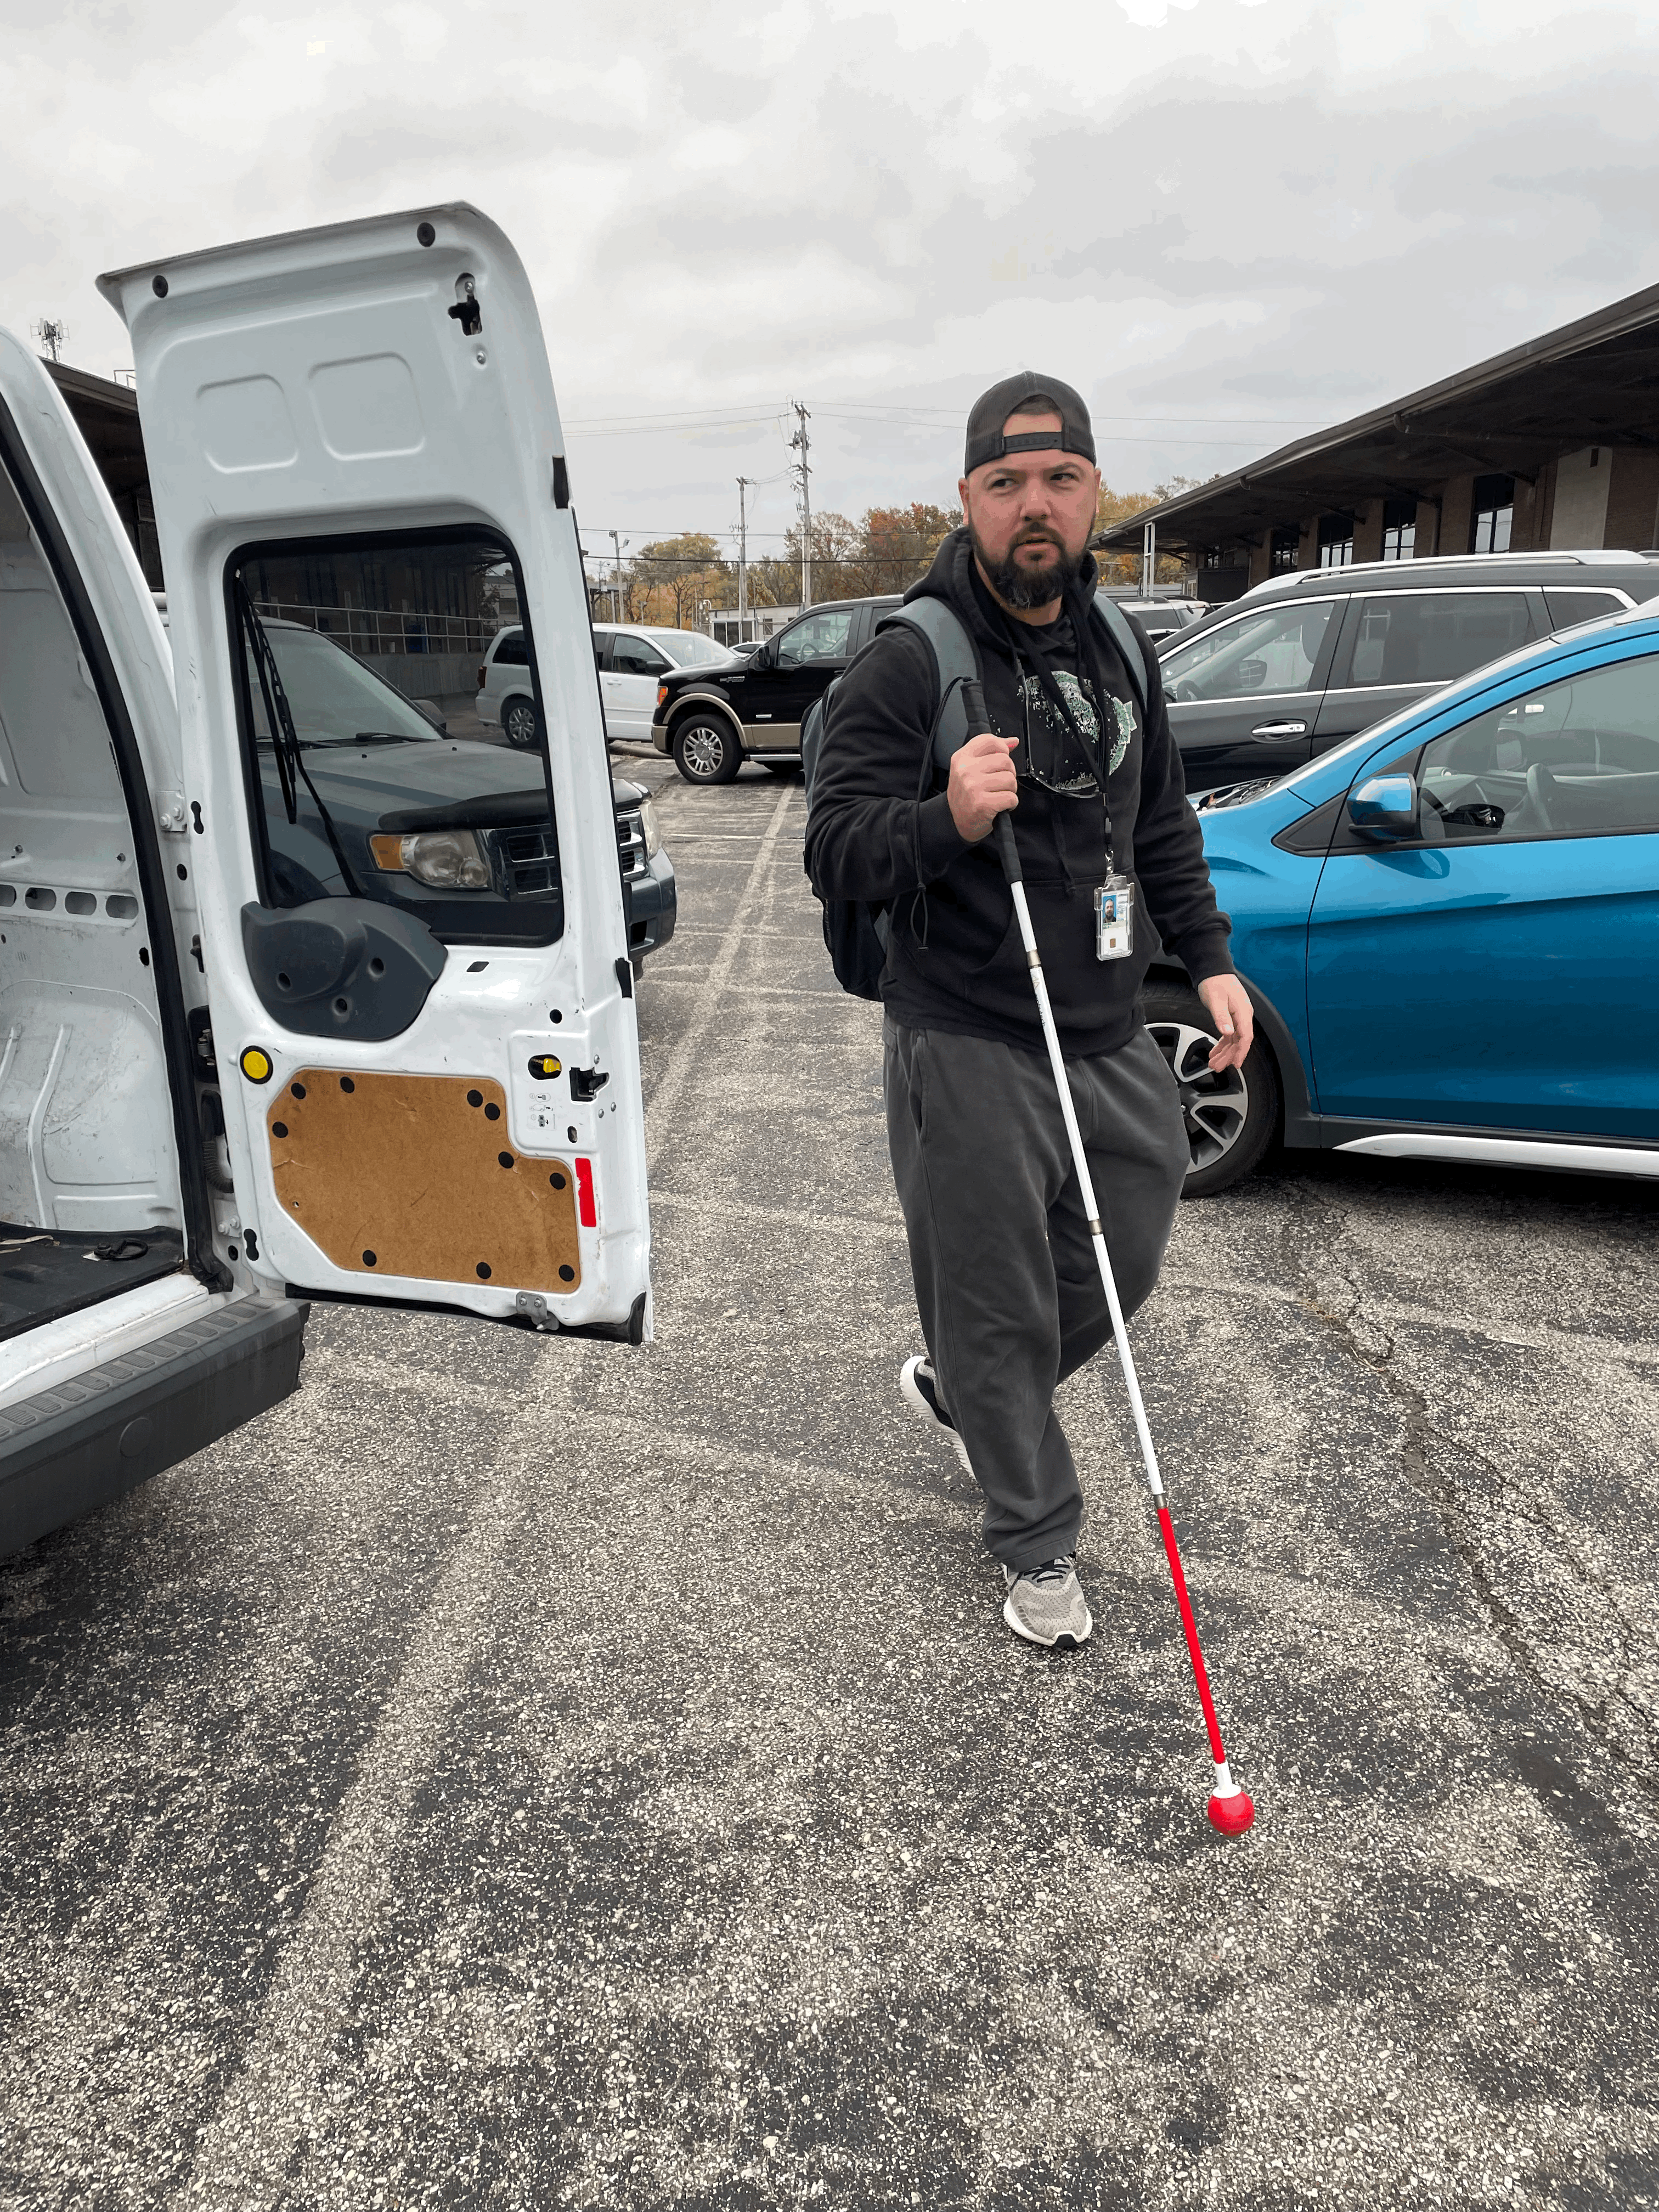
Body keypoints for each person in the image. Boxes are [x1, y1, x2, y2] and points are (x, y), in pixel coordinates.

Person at [804, 373, 1254, 1650]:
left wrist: (1208, 957)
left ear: (1096, 492)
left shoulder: (1120, 646)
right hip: (971, 1028)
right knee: (998, 1293)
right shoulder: (909, 663)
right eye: (1006, 486)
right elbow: (835, 849)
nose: (1034, 507)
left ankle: (968, 1388)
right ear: (969, 501)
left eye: (1059, 480)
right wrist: (946, 817)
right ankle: (1037, 1537)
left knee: (1129, 1249)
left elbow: (1158, 815)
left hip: (1108, 1022)